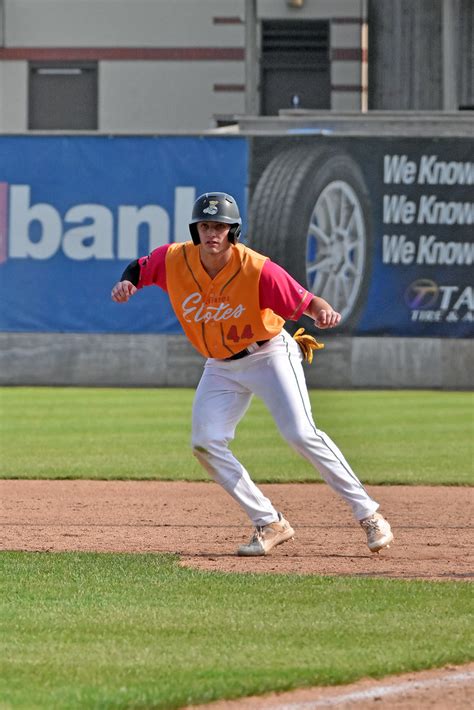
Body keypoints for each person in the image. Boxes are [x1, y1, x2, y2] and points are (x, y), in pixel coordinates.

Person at [111, 192, 393, 557]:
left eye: (220, 226)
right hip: (220, 367)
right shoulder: (175, 258)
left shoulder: (257, 268)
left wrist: (323, 313)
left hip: (269, 353)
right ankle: (269, 521)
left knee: (300, 434)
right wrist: (127, 282)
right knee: (205, 442)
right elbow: (140, 267)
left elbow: (306, 301)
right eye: (206, 225)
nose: (213, 232)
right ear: (196, 230)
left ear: (233, 231)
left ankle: (369, 514)